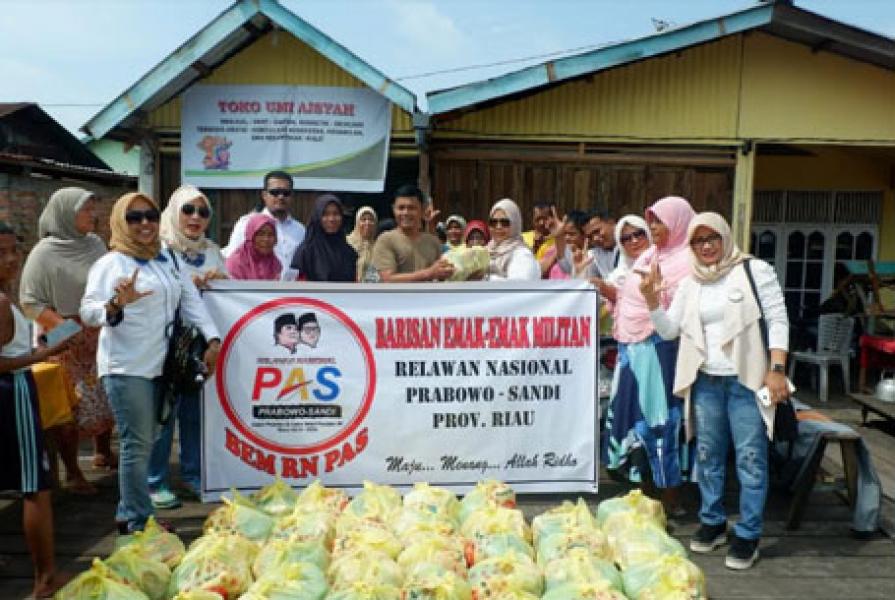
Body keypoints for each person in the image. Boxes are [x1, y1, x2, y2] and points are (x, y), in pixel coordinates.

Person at [641, 212, 788, 570]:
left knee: (751, 458)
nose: (706, 246)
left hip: (747, 381)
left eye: (712, 238)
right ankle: (713, 521)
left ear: (725, 236)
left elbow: (777, 319)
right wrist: (651, 302)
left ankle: (748, 533)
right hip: (705, 381)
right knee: (708, 455)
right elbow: (670, 331)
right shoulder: (691, 282)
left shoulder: (754, 270)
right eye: (698, 240)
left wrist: (777, 369)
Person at [80, 192, 222, 534]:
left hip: (162, 366)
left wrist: (213, 339)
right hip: (126, 367)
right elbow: (88, 311)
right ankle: (136, 520)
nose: (145, 224)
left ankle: (131, 511)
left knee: (149, 438)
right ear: (120, 222)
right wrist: (115, 305)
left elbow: (189, 300)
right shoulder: (111, 264)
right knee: (137, 443)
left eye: (151, 216)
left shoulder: (166, 258)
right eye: (134, 217)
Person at [603, 196, 696, 513]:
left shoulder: (687, 262)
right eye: (651, 221)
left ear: (678, 223)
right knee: (637, 420)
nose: (653, 227)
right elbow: (629, 301)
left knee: (661, 422)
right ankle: (644, 494)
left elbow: (677, 313)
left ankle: (670, 498)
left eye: (658, 222)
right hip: (632, 352)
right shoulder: (649, 257)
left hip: (662, 352)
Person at [19, 187, 112, 494]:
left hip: (96, 327)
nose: (93, 215)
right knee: (70, 403)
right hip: (62, 332)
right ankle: (73, 471)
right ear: (66, 214)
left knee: (105, 392)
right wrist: (68, 330)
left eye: (92, 209)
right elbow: (30, 303)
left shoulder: (95, 244)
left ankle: (103, 450)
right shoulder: (43, 253)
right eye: (86, 209)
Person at [0, 221, 70, 598]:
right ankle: (45, 577)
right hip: (13, 393)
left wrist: (38, 345)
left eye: (15, 250)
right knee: (36, 486)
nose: (12, 259)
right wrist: (44, 353)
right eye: (2, 252)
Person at [147, 184, 227, 508]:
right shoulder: (159, 249)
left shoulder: (213, 251)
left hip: (202, 344)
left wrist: (221, 281)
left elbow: (232, 292)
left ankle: (193, 475)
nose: (196, 217)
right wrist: (186, 286)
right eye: (188, 210)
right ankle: (155, 481)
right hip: (167, 344)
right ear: (174, 211)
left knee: (195, 414)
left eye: (203, 212)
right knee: (164, 416)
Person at [222, 170, 305, 278]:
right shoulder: (247, 223)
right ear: (264, 195)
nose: (281, 197)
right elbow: (232, 260)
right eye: (275, 192)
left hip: (291, 288)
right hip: (253, 287)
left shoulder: (300, 230)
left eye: (286, 193)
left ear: (292, 196)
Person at [372, 185, 454, 282]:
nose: (405, 213)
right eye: (401, 208)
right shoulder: (386, 240)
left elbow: (441, 275)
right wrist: (429, 273)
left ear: (422, 210)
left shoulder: (433, 241)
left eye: (411, 208)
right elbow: (388, 279)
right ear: (393, 209)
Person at [290, 194, 357, 282]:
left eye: (336, 214)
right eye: (325, 214)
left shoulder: (348, 253)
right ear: (317, 217)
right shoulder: (306, 251)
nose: (331, 219)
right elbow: (298, 285)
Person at [486, 199, 541, 281]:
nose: (498, 227)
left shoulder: (522, 255)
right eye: (493, 222)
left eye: (505, 223)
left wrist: (484, 279)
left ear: (515, 224)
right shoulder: (487, 251)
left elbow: (518, 286)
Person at [225, 213, 282, 280]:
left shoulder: (275, 263)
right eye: (261, 234)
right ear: (251, 236)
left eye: (270, 235)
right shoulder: (236, 263)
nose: (266, 239)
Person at [548, 210, 591, 280]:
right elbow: (563, 262)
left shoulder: (594, 253)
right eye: (565, 233)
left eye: (572, 234)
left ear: (585, 233)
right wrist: (558, 236)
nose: (567, 238)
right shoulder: (568, 251)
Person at [346, 206, 379, 282]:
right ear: (357, 223)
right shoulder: (347, 243)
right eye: (363, 219)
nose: (367, 223)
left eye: (371, 220)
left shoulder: (378, 246)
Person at [585, 211, 619, 278]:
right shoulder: (593, 255)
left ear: (611, 223)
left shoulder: (634, 245)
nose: (595, 238)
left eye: (597, 231)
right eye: (590, 237)